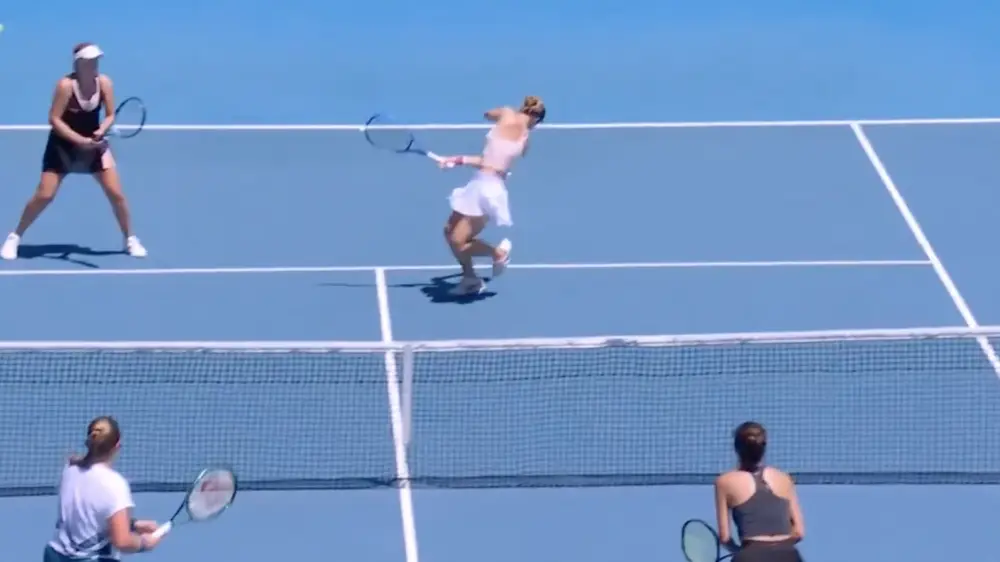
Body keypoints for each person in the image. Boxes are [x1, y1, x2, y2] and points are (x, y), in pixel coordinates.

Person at [1, 43, 146, 261]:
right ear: (79, 63)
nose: (94, 64)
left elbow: (110, 115)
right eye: (90, 61)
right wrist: (79, 141)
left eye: (96, 60)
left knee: (116, 194)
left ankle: (130, 239)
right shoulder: (65, 86)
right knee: (45, 195)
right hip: (63, 146)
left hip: (94, 145)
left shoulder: (105, 83)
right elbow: (54, 119)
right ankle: (14, 237)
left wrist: (101, 130)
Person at [436, 95, 546, 295]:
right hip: (477, 183)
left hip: (489, 191)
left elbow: (487, 114)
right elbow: (486, 162)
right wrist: (456, 160)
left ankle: (498, 253)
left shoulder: (506, 114)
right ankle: (470, 278)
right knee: (448, 231)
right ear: (537, 118)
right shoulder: (525, 139)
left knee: (459, 240)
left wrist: (503, 114)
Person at [44, 416, 163, 562]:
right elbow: (122, 541)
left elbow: (87, 516)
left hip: (55, 556)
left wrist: (133, 524)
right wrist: (144, 543)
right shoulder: (115, 485)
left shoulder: (70, 470)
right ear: (117, 446)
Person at [714, 422, 805, 562]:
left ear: (737, 448)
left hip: (750, 555)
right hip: (788, 556)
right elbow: (799, 532)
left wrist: (740, 551)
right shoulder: (784, 478)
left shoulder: (724, 481)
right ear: (764, 447)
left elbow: (725, 537)